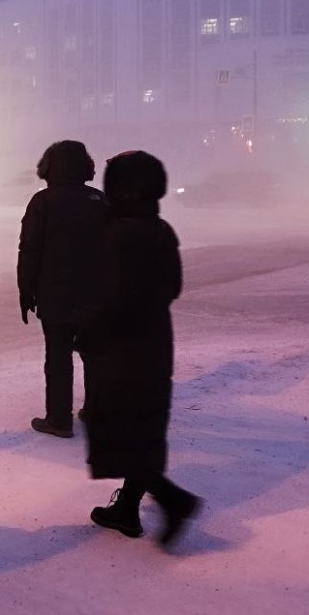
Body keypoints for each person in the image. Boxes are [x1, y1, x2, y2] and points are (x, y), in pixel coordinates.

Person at [78, 149, 202, 550]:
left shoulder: (114, 234)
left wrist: (86, 335)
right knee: (142, 431)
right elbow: (172, 288)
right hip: (153, 344)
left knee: (116, 430)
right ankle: (127, 509)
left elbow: (106, 298)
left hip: (118, 352)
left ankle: (173, 499)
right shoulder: (160, 229)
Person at [17, 140, 106, 438]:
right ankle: (95, 411)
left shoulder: (43, 202)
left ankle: (59, 419)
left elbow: (29, 250)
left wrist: (25, 291)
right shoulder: (99, 199)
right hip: (96, 295)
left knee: (58, 356)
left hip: (55, 295)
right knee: (94, 354)